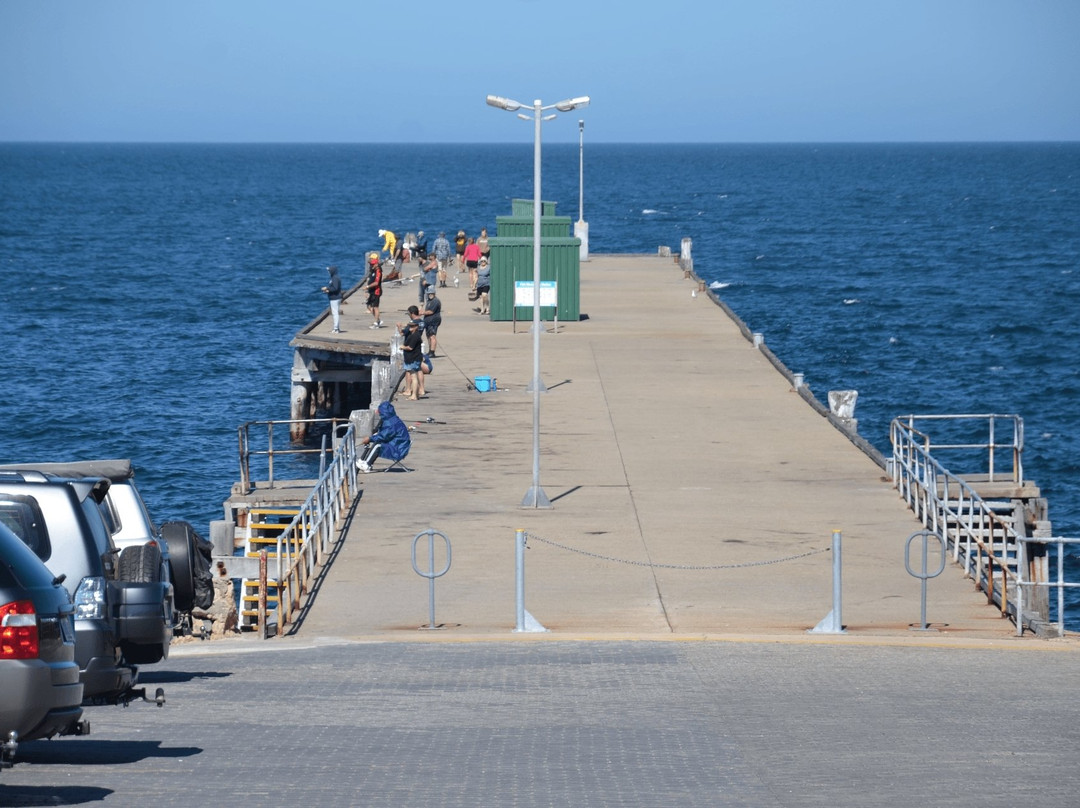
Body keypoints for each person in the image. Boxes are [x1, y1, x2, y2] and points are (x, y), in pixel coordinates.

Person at [357, 401, 411, 473]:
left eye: (380, 412)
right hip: (397, 444)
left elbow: (384, 436)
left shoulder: (391, 423)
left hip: (398, 449)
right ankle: (364, 461)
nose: (379, 414)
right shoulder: (392, 419)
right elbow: (385, 434)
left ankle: (367, 465)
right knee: (376, 441)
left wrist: (370, 438)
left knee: (378, 445)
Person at [398, 306, 424, 400]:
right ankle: (418, 392)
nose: (410, 328)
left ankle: (413, 394)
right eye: (410, 326)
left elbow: (410, 347)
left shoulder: (415, 336)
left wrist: (402, 347)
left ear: (415, 327)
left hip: (413, 357)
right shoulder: (421, 324)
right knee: (416, 373)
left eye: (412, 326)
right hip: (415, 356)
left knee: (413, 376)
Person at [362, 252, 383, 328]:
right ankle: (377, 320)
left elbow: (376, 282)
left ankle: (377, 322)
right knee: (368, 305)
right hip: (371, 291)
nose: (371, 266)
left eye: (372, 264)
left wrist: (367, 287)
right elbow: (370, 279)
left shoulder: (378, 271)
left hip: (376, 291)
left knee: (375, 307)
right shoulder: (372, 270)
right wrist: (367, 290)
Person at [320, 265, 343, 333]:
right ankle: (336, 328)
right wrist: (328, 291)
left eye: (329, 271)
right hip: (335, 297)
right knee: (335, 312)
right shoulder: (335, 277)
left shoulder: (334, 278)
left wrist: (327, 288)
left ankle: (336, 328)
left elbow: (335, 288)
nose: (328, 272)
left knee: (335, 313)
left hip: (335, 298)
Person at [422, 287, 442, 356]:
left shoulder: (435, 301)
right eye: (429, 294)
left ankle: (432, 352)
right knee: (428, 336)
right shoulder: (429, 301)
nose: (430, 295)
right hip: (428, 321)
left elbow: (431, 312)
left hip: (434, 321)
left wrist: (421, 313)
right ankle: (430, 350)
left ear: (434, 293)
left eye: (431, 293)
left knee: (432, 336)